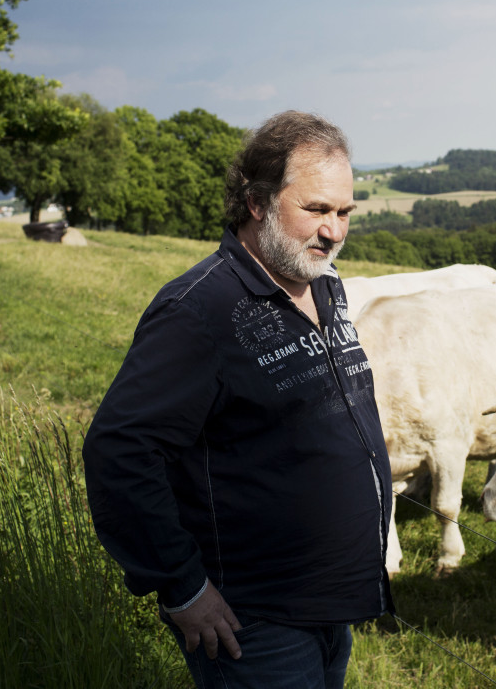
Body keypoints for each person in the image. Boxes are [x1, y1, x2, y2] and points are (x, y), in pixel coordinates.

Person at [82, 110, 394, 689]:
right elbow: (119, 450)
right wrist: (182, 587)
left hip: (327, 607)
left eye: (345, 211)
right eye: (317, 210)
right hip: (254, 621)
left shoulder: (325, 287)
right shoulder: (200, 311)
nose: (335, 231)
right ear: (257, 203)